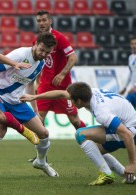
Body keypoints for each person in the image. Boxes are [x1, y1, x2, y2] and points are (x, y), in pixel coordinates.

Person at [0, 32, 59, 180]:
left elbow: (30, 84)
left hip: (17, 101)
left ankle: (41, 162)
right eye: (42, 50)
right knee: (0, 130)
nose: (43, 54)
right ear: (35, 44)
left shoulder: (41, 63)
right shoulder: (20, 54)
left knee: (44, 134)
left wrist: (35, 110)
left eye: (47, 52)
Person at [20, 82, 136, 185]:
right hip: (128, 126)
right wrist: (34, 97)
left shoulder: (101, 112)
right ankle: (129, 178)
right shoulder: (89, 93)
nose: (70, 102)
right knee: (95, 151)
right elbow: (62, 93)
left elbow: (127, 134)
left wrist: (132, 164)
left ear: (78, 101)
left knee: (80, 134)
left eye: (71, 100)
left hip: (131, 132)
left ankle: (106, 174)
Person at [26, 10, 86, 162]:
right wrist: (38, 79)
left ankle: (93, 143)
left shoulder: (59, 38)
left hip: (63, 87)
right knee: (39, 120)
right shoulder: (36, 41)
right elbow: (38, 62)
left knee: (75, 119)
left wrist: (62, 74)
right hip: (45, 86)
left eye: (44, 20)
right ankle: (42, 157)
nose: (41, 23)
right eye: (39, 21)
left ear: (50, 21)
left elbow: (73, 57)